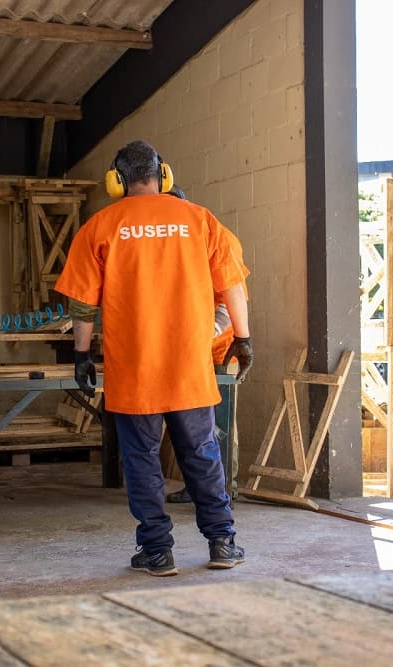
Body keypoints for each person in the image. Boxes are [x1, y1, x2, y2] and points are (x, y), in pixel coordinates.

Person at [55, 140, 254, 576]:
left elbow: (83, 306)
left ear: (117, 181)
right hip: (189, 366)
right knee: (202, 452)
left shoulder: (101, 225)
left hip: (134, 369)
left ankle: (158, 551)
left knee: (142, 459)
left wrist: (82, 355)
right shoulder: (200, 219)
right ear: (163, 174)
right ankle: (222, 542)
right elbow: (233, 285)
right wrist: (243, 338)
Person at [162, 186, 251, 504]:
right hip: (189, 349)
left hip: (220, 350)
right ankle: (197, 486)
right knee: (193, 425)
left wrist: (199, 337)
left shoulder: (217, 237)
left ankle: (225, 488)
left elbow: (231, 301)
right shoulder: (172, 243)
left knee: (219, 424)